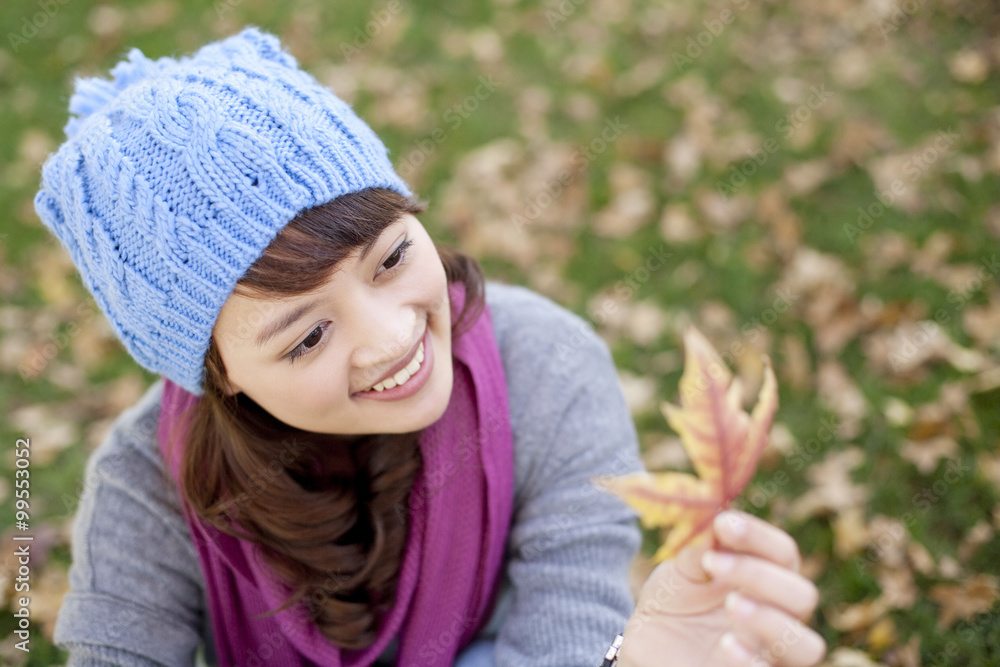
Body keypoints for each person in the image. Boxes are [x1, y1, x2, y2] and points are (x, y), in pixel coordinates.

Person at [35, 26, 826, 667]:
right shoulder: (146, 481)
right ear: (220, 377)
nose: (392, 337)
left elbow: (570, 636)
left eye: (390, 259)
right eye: (308, 335)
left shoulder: (548, 369)